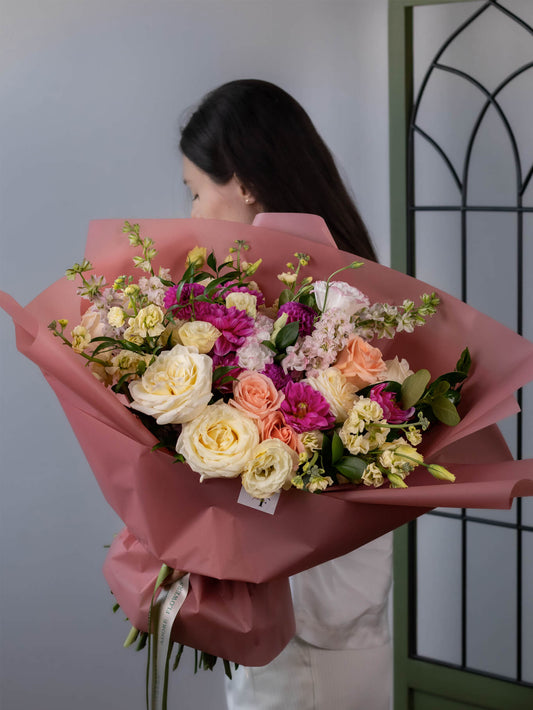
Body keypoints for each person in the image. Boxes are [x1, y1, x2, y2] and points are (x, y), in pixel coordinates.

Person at [179, 79, 393, 710]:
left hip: (311, 614)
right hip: (281, 602)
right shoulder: (286, 286)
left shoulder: (332, 300)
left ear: (244, 184)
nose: (191, 214)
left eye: (196, 192)